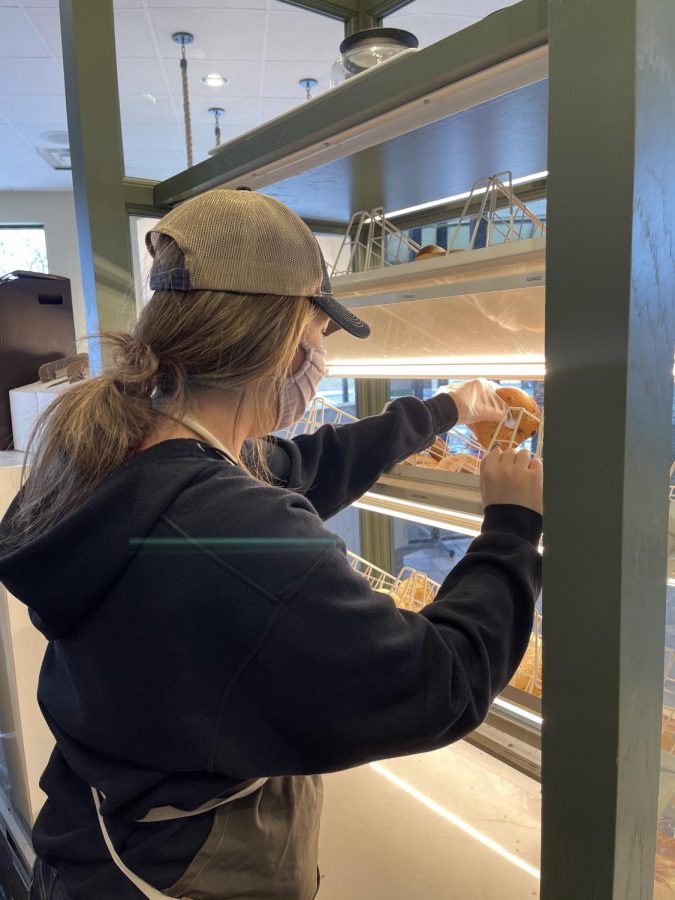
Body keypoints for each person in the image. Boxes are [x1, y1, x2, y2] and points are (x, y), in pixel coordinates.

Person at [0, 190, 542, 900]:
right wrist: (509, 528)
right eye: (318, 335)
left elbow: (302, 469)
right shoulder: (228, 529)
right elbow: (438, 683)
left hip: (92, 838)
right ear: (284, 342)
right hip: (178, 874)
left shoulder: (122, 450)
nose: (319, 358)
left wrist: (444, 409)